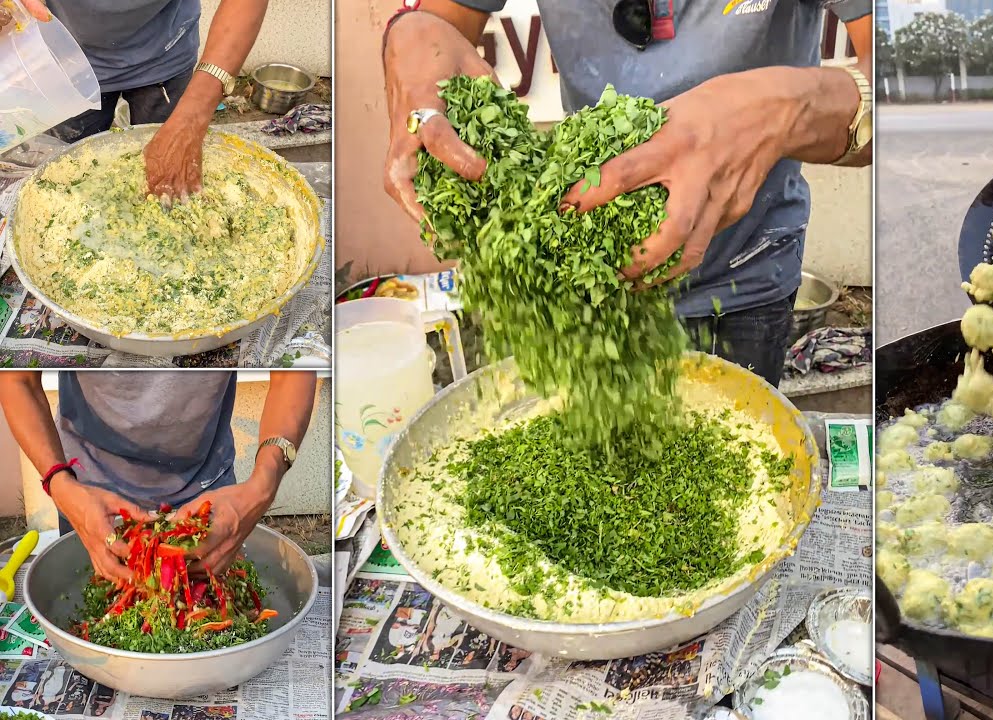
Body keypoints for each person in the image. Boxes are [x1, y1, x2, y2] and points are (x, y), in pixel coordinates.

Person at [381, 1, 874, 386]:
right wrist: (413, 37)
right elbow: (438, 22)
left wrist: (780, 111)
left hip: (745, 272)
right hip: (586, 276)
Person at [0, 371, 315, 582]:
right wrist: (59, 481)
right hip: (89, 495)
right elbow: (16, 379)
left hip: (206, 490)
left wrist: (263, 485)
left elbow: (294, 368)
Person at [17, 0, 268, 199]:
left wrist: (192, 120)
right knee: (65, 176)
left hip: (165, 52)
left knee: (170, 165)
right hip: (66, 55)